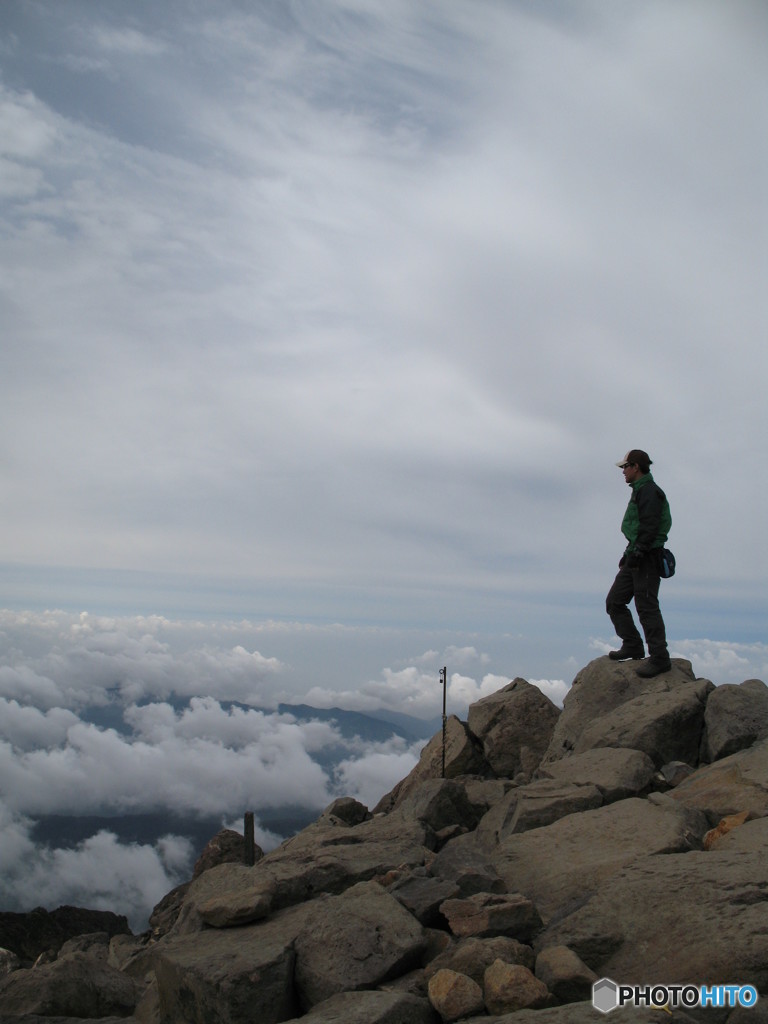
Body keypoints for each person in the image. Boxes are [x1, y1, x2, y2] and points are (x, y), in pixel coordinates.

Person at [606, 449, 672, 677]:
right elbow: (639, 527)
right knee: (615, 601)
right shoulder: (640, 491)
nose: (623, 471)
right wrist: (630, 552)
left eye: (625, 466)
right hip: (636, 554)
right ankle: (633, 645)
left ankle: (660, 658)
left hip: (647, 557)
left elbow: (650, 525)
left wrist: (640, 551)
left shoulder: (650, 492)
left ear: (636, 467)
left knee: (646, 607)